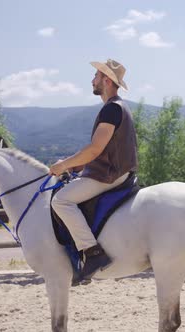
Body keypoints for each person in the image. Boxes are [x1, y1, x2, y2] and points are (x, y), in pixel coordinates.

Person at [49, 59, 138, 280]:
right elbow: (102, 150)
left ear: (106, 80)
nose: (92, 80)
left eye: (96, 76)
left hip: (109, 175)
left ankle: (92, 251)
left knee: (61, 200)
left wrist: (64, 165)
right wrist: (77, 166)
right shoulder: (119, 108)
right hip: (115, 171)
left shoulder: (111, 110)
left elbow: (95, 149)